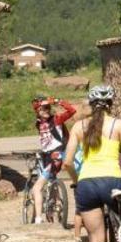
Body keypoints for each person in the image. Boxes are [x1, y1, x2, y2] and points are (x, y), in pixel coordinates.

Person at [62, 85, 121, 242]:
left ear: (91, 104)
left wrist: (78, 181)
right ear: (111, 104)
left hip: (87, 184)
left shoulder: (78, 126)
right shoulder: (118, 124)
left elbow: (67, 162)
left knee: (95, 240)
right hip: (113, 180)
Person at [31, 95, 84, 223]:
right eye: (43, 108)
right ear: (37, 111)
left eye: (48, 108)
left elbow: (71, 111)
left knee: (36, 188)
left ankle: (38, 219)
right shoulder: (38, 123)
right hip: (47, 156)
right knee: (51, 181)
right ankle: (52, 203)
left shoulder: (57, 119)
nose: (46, 110)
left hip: (56, 156)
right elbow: (46, 142)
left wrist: (57, 101)